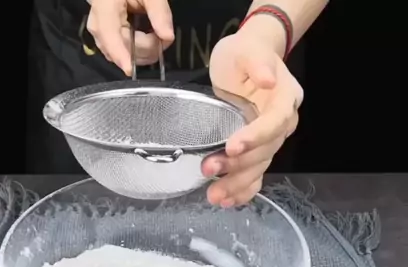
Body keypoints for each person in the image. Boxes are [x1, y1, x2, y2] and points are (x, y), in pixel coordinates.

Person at [27, 0, 328, 206]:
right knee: (73, 216)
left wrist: (266, 31)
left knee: (240, 202)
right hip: (84, 66)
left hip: (243, 65)